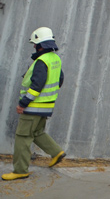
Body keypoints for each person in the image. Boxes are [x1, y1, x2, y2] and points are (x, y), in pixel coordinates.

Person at [2, 27, 66, 181]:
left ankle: (20, 170)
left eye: (35, 44)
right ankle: (56, 152)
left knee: (22, 137)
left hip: (32, 107)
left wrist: (23, 103)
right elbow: (60, 79)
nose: (34, 47)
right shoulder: (54, 59)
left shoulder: (41, 61)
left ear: (41, 45)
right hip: (46, 107)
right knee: (37, 133)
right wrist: (47, 97)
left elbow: (37, 85)